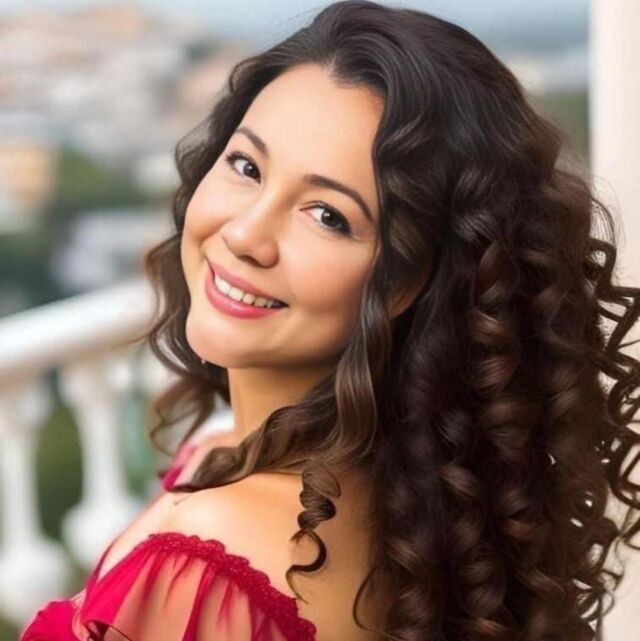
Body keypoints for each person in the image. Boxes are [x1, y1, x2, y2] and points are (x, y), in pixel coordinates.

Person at [20, 1, 640, 640]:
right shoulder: (428, 508)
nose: (245, 235)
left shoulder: (202, 568)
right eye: (246, 166)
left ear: (407, 281)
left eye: (328, 216)